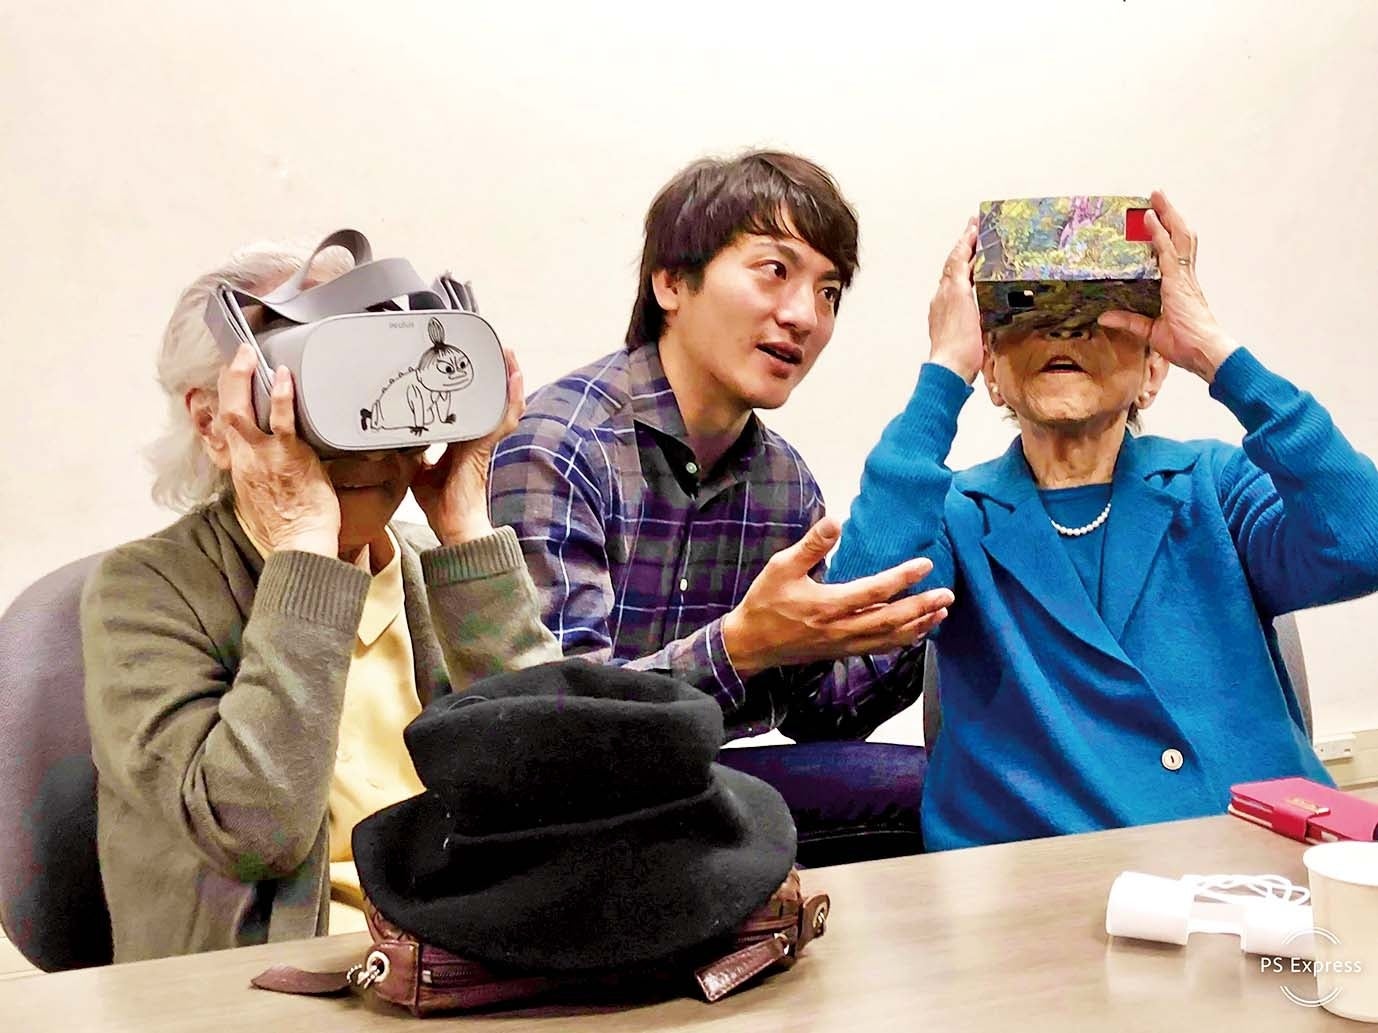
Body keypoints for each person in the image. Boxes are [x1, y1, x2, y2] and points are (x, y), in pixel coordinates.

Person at [829, 192, 1378, 851]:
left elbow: (1362, 541)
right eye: (1028, 311)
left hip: (1253, 857)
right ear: (992, 372)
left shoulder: (1216, 484)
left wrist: (1215, 351)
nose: (1065, 333)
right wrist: (943, 371)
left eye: (1101, 312)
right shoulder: (953, 514)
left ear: (1153, 371)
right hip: (1043, 881)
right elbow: (860, 604)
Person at [82, 241, 560, 961]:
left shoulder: (437, 570)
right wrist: (306, 549)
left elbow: (561, 790)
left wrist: (465, 526)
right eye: (316, 399)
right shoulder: (144, 591)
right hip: (272, 982)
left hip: (466, 959)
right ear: (215, 424)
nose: (364, 445)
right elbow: (254, 832)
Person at [489, 151, 953, 864]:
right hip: (551, 816)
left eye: (828, 291)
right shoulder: (559, 446)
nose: (803, 315)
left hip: (697, 793)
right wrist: (741, 645)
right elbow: (558, 730)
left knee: (941, 788)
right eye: (774, 270)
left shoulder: (783, 481)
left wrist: (929, 600)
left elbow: (824, 713)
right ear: (672, 282)